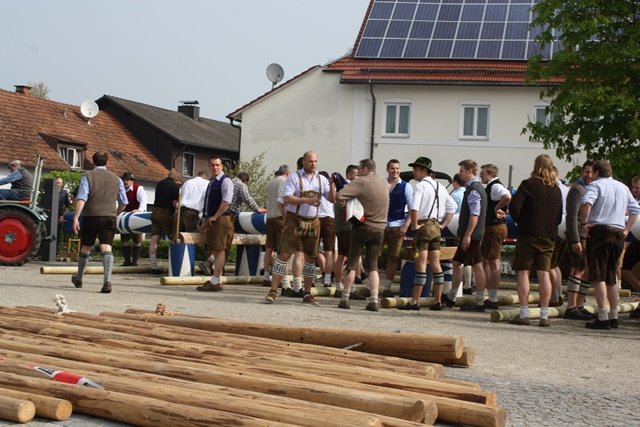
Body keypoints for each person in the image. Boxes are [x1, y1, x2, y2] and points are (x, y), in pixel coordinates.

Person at [264, 151, 335, 305]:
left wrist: (334, 184)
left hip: (313, 221)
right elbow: (286, 198)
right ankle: (273, 290)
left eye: (315, 161)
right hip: (293, 221)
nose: (313, 164)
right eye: (310, 161)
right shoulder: (294, 177)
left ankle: (307, 293)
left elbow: (331, 199)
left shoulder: (322, 180)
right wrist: (306, 200)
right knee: (283, 254)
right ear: (304, 161)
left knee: (310, 257)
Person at [579, 160, 640, 329]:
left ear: (597, 172)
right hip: (619, 232)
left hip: (601, 232)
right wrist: (627, 229)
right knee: (612, 276)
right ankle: (614, 315)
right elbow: (635, 210)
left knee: (599, 276)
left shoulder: (596, 186)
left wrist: (584, 224)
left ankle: (603, 316)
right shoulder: (623, 187)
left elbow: (586, 204)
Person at [508, 154, 563, 327]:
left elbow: (514, 206)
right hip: (548, 236)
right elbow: (559, 216)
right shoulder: (556, 189)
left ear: (536, 165)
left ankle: (524, 313)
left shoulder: (528, 184)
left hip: (528, 234)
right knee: (544, 273)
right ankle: (544, 315)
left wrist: (521, 221)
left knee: (523, 272)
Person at [399, 157, 452, 311]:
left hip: (424, 225)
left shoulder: (421, 186)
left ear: (424, 170)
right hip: (436, 226)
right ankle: (437, 301)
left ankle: (415, 301)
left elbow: (414, 207)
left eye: (416, 169)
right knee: (436, 264)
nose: (414, 172)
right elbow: (452, 206)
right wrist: (443, 225)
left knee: (421, 264)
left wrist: (414, 225)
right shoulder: (440, 186)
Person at [335, 159, 389, 311]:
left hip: (363, 226)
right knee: (373, 266)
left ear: (365, 169)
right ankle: (374, 300)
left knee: (352, 263)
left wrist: (344, 205)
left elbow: (340, 195)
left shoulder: (361, 182)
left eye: (359, 169)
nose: (358, 172)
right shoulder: (383, 182)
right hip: (380, 228)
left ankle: (345, 298)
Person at [70, 152, 128, 293]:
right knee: (106, 247)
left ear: (93, 162)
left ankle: (79, 277)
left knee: (86, 247)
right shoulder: (117, 179)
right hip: (109, 216)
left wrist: (76, 217)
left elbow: (82, 198)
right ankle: (107, 281)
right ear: (107, 162)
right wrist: (116, 213)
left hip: (91, 216)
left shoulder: (87, 176)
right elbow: (124, 202)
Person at [444, 159, 488, 311]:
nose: (460, 173)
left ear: (470, 171)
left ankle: (480, 301)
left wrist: (468, 235)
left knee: (477, 265)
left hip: (472, 235)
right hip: (472, 234)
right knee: (457, 263)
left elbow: (474, 214)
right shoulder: (476, 188)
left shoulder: (474, 189)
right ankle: (452, 296)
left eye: (462, 170)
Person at [197, 155, 235, 291]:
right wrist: (204, 221)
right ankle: (215, 280)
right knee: (214, 249)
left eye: (217, 165)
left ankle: (215, 281)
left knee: (219, 250)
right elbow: (207, 203)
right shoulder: (211, 182)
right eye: (212, 165)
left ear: (222, 166)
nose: (215, 167)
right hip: (212, 219)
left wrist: (215, 217)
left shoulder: (226, 181)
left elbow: (226, 202)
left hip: (221, 219)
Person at [564, 160, 596, 320]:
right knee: (577, 268)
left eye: (592, 172)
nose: (589, 175)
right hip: (578, 234)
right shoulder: (577, 189)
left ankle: (580, 304)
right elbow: (571, 216)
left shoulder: (592, 189)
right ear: (582, 172)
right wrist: (575, 238)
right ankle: (571, 306)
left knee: (585, 270)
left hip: (587, 235)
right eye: (587, 172)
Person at [478, 164, 511, 309]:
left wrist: (497, 208)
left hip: (494, 226)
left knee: (493, 262)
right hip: (494, 226)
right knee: (489, 261)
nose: (481, 176)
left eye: (483, 173)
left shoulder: (495, 186)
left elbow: (507, 196)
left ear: (490, 174)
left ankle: (492, 298)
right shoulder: (493, 186)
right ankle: (489, 295)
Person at [381, 159, 413, 298]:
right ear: (387, 169)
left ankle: (387, 287)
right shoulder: (381, 184)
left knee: (393, 257)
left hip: (397, 225)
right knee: (374, 255)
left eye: (397, 169)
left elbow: (413, 209)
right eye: (393, 168)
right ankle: (374, 286)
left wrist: (406, 225)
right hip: (381, 224)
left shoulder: (406, 186)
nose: (395, 171)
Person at [149, 169, 181, 274]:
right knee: (173, 237)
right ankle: (173, 266)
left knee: (154, 238)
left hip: (154, 211)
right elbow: (174, 203)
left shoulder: (160, 183)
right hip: (165, 213)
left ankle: (153, 266)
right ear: (176, 178)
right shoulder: (174, 186)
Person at [263, 164, 289, 288]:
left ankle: (266, 276)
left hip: (269, 217)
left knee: (269, 248)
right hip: (280, 218)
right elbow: (283, 201)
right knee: (283, 249)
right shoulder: (285, 182)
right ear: (288, 173)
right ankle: (283, 280)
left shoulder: (271, 183)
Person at [120, 172, 147, 266]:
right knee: (124, 240)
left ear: (132, 181)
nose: (125, 182)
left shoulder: (139, 188)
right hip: (125, 217)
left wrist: (139, 210)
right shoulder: (121, 189)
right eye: (124, 180)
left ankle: (135, 262)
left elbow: (143, 201)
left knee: (137, 240)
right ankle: (127, 261)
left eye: (127, 180)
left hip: (136, 217)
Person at [317, 171, 336, 288]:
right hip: (330, 218)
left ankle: (311, 278)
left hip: (316, 218)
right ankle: (328, 279)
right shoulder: (331, 188)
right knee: (329, 251)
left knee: (312, 250)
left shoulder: (315, 187)